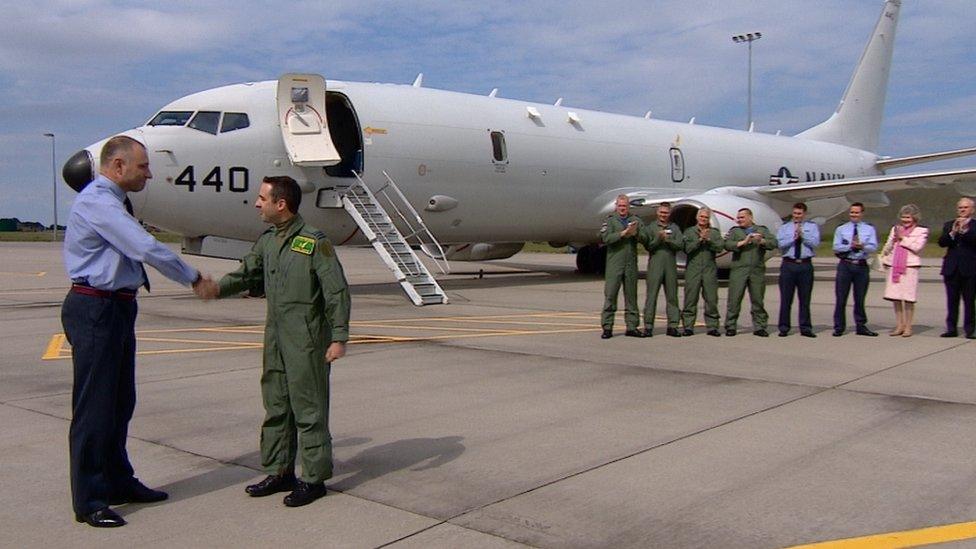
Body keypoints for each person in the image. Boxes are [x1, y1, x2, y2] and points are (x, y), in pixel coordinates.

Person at [61, 135, 213, 528]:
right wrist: (193, 277)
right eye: (143, 166)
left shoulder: (112, 202)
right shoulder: (99, 202)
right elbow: (145, 247)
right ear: (118, 167)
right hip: (96, 308)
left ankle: (118, 481)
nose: (149, 173)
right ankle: (90, 499)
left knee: (118, 403)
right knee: (95, 408)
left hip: (116, 307)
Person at [200, 175, 350, 507]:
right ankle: (280, 471)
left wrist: (338, 337)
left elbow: (336, 291)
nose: (257, 204)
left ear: (280, 204)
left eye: (262, 198)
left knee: (308, 409)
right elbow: (247, 274)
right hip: (276, 337)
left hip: (307, 340)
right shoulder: (268, 241)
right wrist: (217, 288)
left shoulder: (314, 242)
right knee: (277, 405)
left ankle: (313, 479)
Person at [724, 208, 776, 337]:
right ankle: (730, 326)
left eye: (742, 217)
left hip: (756, 270)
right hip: (739, 269)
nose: (739, 220)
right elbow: (727, 245)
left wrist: (762, 241)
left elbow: (773, 242)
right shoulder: (735, 231)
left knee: (758, 299)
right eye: (738, 218)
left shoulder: (762, 230)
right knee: (734, 300)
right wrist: (744, 242)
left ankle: (760, 326)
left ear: (750, 218)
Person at [880, 204, 928, 337]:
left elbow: (917, 247)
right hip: (894, 265)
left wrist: (903, 239)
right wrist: (883, 256)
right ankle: (899, 325)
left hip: (910, 266)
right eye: (903, 217)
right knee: (895, 297)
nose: (905, 220)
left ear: (914, 218)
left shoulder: (921, 231)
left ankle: (908, 326)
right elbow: (888, 244)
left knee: (908, 298)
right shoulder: (895, 229)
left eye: (908, 217)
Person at [600, 195, 645, 338]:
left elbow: (645, 238)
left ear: (628, 206)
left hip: (630, 264)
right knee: (610, 295)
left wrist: (636, 233)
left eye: (625, 206)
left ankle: (632, 327)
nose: (622, 209)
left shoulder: (635, 220)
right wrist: (622, 234)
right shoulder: (610, 220)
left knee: (631, 296)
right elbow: (605, 238)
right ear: (616, 206)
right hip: (615, 264)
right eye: (620, 206)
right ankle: (607, 327)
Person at [832, 202, 879, 336]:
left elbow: (873, 247)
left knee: (859, 298)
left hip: (861, 265)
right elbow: (836, 247)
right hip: (845, 265)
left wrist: (862, 246)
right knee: (841, 298)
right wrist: (850, 247)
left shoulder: (869, 229)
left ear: (862, 214)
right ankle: (839, 326)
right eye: (852, 212)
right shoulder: (841, 229)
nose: (854, 215)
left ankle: (861, 325)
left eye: (857, 212)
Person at [775, 202, 819, 337]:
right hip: (789, 264)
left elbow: (815, 243)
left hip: (805, 265)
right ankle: (784, 327)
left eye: (799, 214)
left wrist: (803, 236)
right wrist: (793, 238)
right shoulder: (785, 227)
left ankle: (805, 327)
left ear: (804, 214)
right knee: (786, 298)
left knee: (805, 299)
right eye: (795, 214)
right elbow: (780, 244)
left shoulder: (812, 227)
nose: (796, 216)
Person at [641, 202, 682, 337]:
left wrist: (668, 240)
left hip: (670, 264)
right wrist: (659, 238)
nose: (663, 215)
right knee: (651, 296)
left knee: (672, 296)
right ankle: (648, 326)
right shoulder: (651, 227)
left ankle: (673, 326)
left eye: (666, 213)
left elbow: (679, 245)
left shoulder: (674, 228)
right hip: (655, 264)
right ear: (657, 213)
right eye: (661, 212)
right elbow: (649, 246)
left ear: (669, 214)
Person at [937, 197, 976, 339]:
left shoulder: (974, 225)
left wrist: (965, 231)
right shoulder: (949, 225)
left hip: (970, 268)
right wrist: (952, 233)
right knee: (952, 300)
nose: (962, 210)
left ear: (972, 209)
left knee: (970, 300)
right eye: (960, 207)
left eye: (966, 207)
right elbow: (942, 243)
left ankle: (970, 329)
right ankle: (951, 328)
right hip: (951, 268)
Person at [681, 207, 723, 336]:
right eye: (701, 217)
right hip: (693, 269)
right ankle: (688, 326)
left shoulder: (714, 233)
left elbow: (720, 247)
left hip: (709, 269)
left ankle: (712, 326)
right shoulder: (689, 232)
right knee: (690, 299)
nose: (703, 219)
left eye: (706, 217)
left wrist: (708, 240)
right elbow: (687, 249)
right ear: (697, 217)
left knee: (711, 299)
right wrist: (699, 240)